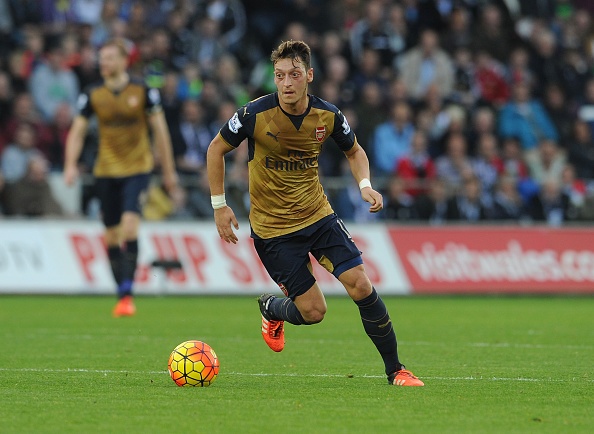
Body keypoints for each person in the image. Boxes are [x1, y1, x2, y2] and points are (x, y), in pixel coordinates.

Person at [206, 40, 423, 387]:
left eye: (293, 75)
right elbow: (215, 149)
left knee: (361, 285)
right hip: (274, 231)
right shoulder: (252, 114)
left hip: (318, 216)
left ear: (309, 75)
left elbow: (355, 151)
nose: (286, 83)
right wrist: (219, 205)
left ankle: (396, 370)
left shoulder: (328, 115)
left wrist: (365, 185)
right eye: (279, 76)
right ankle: (272, 309)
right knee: (314, 312)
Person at [64, 38, 178, 317]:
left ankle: (127, 294)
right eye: (101, 58)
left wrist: (168, 172)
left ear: (125, 61)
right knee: (111, 236)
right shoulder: (92, 94)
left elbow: (160, 132)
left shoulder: (143, 91)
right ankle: (122, 293)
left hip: (137, 169)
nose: (103, 63)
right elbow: (77, 131)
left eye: (109, 58)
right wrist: (70, 164)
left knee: (129, 227)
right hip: (105, 171)